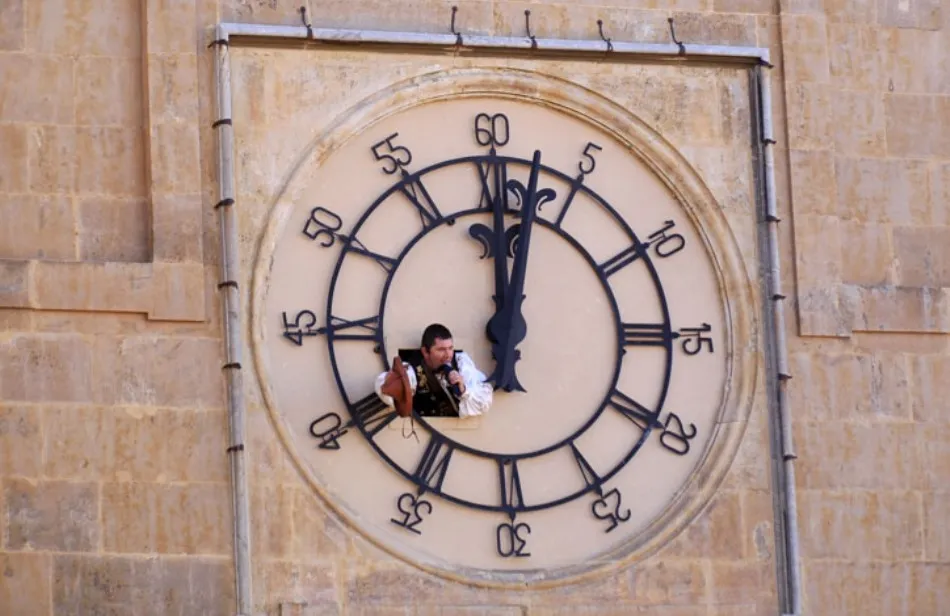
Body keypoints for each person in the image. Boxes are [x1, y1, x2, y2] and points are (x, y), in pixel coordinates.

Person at [375, 323, 493, 418]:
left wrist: (463, 390)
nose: (448, 355)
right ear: (425, 352)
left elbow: (483, 403)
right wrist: (400, 386)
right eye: (441, 350)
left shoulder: (461, 364)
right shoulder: (413, 370)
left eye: (450, 348)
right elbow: (386, 385)